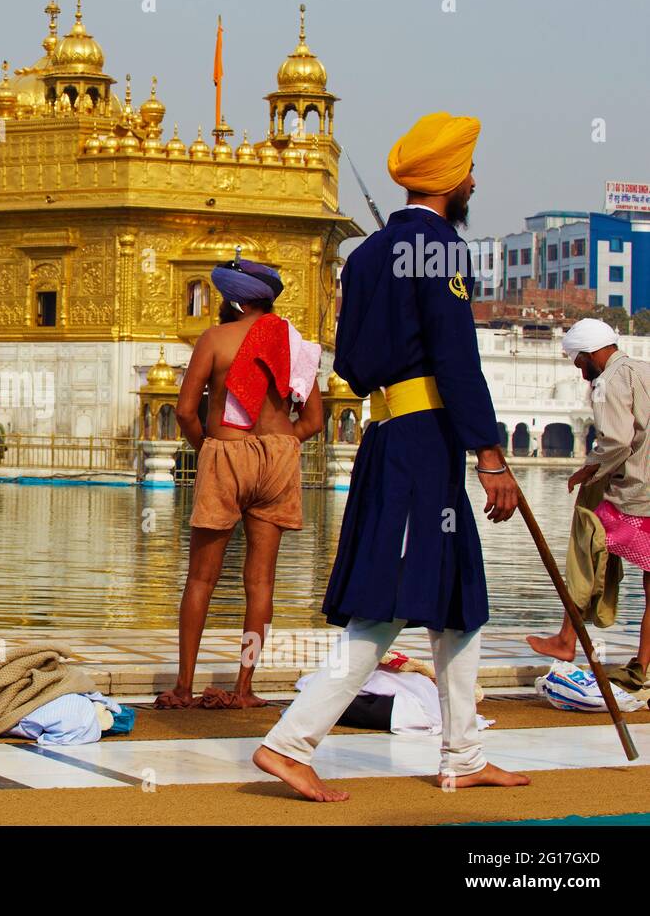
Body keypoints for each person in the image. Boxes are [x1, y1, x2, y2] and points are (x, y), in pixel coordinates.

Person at [253, 112, 530, 800]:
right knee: (385, 609)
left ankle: (462, 752)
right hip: (420, 447)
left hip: (392, 437)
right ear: (452, 182)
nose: (474, 180)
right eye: (469, 171)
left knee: (458, 600)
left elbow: (349, 359)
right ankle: (289, 743)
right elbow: (457, 359)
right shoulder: (439, 250)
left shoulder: (369, 254)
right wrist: (490, 456)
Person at [155, 259, 324, 710]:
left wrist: (209, 448)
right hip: (277, 461)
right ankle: (244, 688)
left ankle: (184, 687)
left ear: (234, 300)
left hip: (226, 456)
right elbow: (314, 420)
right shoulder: (298, 347)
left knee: (201, 579)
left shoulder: (215, 339)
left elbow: (186, 410)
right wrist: (284, 444)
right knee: (261, 583)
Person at [527, 318, 650, 693]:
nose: (581, 374)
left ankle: (567, 639)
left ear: (593, 353)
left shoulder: (608, 382)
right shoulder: (644, 369)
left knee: (586, 539)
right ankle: (640, 668)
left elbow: (615, 440)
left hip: (636, 495)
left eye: (580, 364)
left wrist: (588, 470)